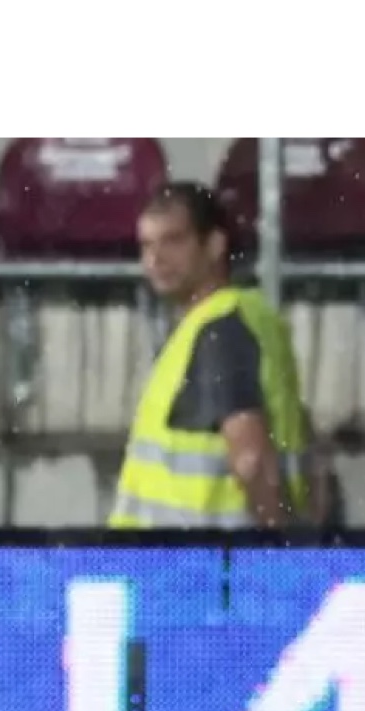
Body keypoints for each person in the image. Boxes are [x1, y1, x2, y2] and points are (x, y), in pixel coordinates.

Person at [113, 180, 321, 531]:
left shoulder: (220, 329)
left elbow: (251, 461)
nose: (155, 259)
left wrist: (283, 551)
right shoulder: (248, 316)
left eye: (173, 241)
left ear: (214, 245)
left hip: (199, 558)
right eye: (146, 245)